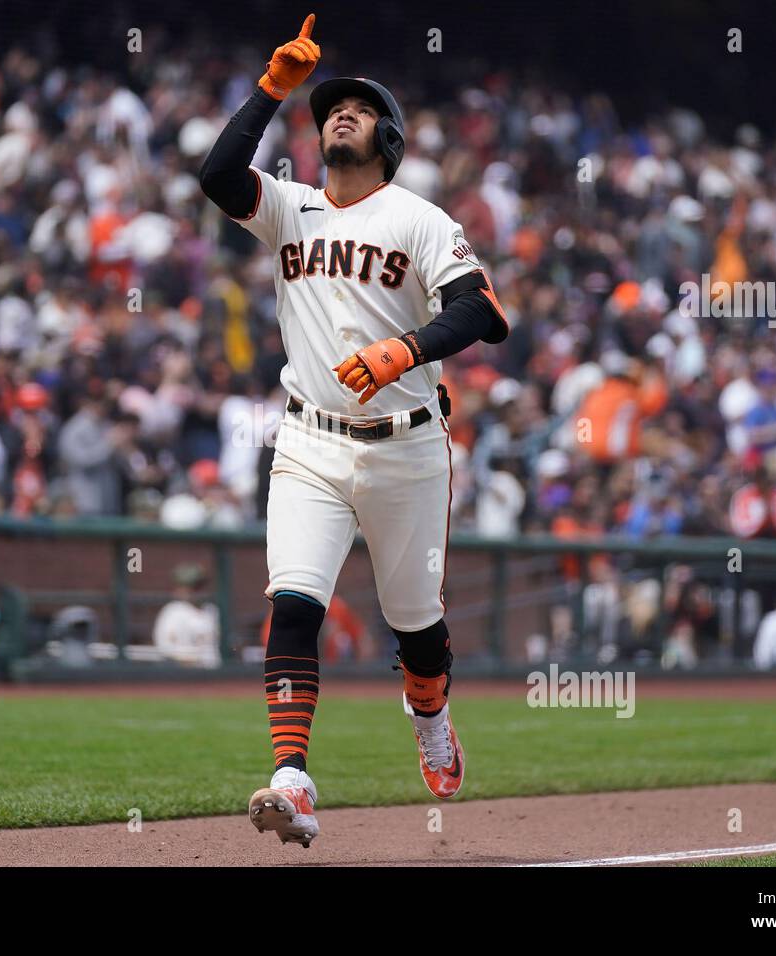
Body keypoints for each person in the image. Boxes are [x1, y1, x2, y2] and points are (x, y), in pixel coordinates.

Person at [199, 14, 508, 848]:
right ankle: (292, 782)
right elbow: (219, 175)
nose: (339, 112)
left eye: (360, 108)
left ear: (390, 137)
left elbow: (484, 311)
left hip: (407, 445)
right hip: (308, 441)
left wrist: (403, 348)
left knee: (418, 629)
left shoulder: (418, 217)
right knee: (294, 604)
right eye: (331, 106)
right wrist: (272, 90)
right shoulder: (291, 207)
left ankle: (432, 721)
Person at [151, 563, 221, 668]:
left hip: (215, 673)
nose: (197, 591)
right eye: (193, 587)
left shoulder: (212, 610)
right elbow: (165, 648)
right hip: (185, 674)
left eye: (200, 586)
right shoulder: (173, 611)